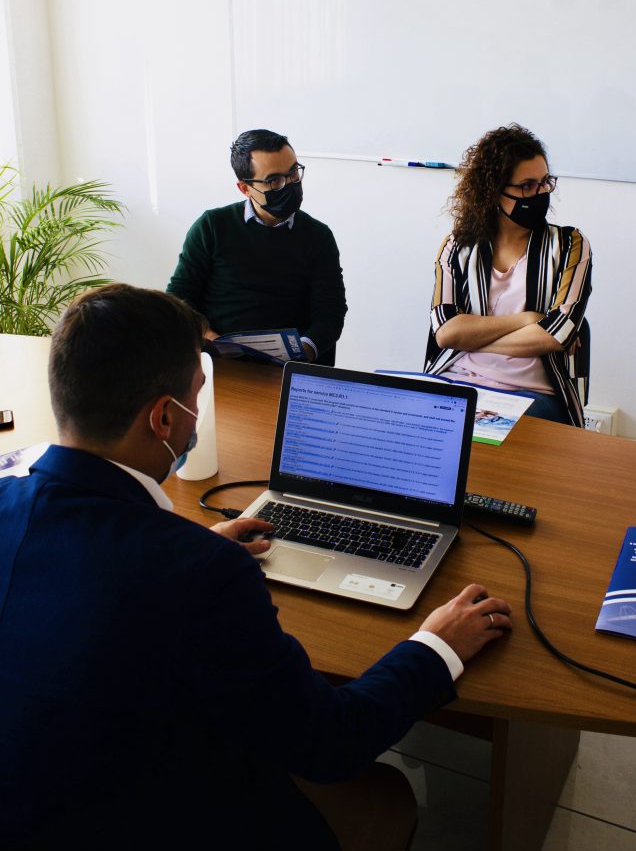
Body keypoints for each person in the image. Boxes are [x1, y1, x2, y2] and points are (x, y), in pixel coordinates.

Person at [0, 284, 511, 851]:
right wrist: (437, 646)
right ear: (164, 419)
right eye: (199, 394)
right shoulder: (204, 576)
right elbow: (331, 743)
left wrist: (192, 543)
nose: (200, 414)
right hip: (151, 818)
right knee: (382, 792)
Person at [425, 124, 592, 426]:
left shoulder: (569, 246)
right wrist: (525, 319)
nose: (540, 193)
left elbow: (556, 334)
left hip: (533, 394)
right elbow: (446, 332)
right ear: (493, 191)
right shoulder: (457, 247)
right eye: (527, 185)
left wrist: (471, 338)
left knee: (479, 444)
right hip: (455, 380)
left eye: (545, 182)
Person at [167, 128, 347, 364]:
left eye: (293, 174)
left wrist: (305, 351)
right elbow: (179, 300)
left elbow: (330, 311)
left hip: (290, 368)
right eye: (274, 181)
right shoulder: (212, 226)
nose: (289, 185)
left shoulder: (317, 236)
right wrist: (210, 338)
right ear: (245, 188)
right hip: (221, 363)